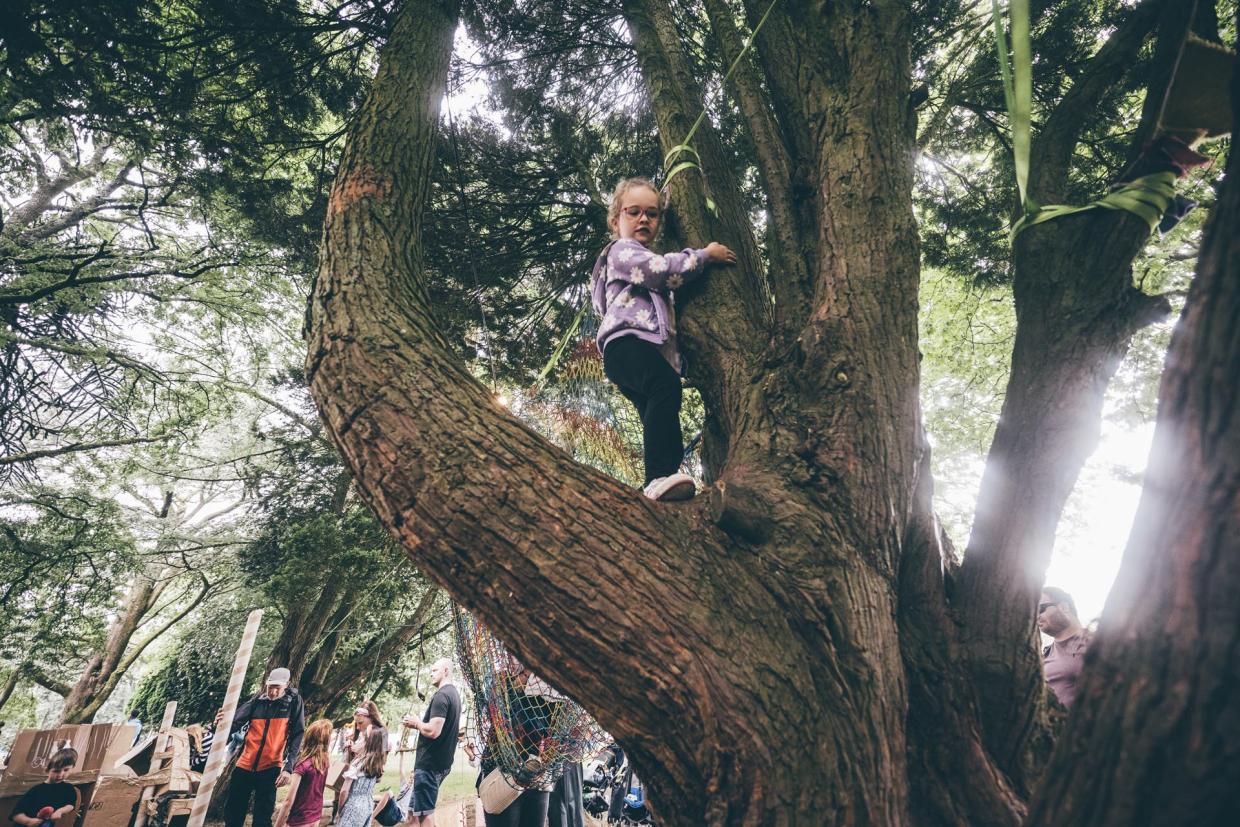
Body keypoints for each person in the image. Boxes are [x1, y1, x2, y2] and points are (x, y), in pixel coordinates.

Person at [590, 176, 736, 501]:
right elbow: (659, 270)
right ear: (616, 221)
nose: (644, 219)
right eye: (634, 212)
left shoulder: (632, 258)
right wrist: (704, 255)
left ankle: (666, 480)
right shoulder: (622, 251)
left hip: (632, 351)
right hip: (625, 345)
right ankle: (657, 478)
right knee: (665, 389)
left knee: (660, 410)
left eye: (653, 214)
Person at [219, 666, 306, 827]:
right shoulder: (257, 701)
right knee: (232, 814)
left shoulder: (293, 702)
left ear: (286, 685)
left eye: (277, 688)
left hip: (270, 767)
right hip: (245, 765)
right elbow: (233, 723)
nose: (272, 692)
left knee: (262, 819)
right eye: (270, 687)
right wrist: (219, 723)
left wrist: (288, 767)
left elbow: (297, 735)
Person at [401, 658, 461, 827]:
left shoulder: (442, 695)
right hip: (435, 765)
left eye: (435, 670)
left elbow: (434, 731)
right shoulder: (453, 694)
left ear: (446, 671)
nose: (431, 674)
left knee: (424, 816)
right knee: (412, 814)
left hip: (430, 766)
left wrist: (416, 723)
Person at [1038, 587, 1091, 708]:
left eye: (1040, 609)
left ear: (1063, 607)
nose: (1037, 616)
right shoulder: (1041, 656)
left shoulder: (1096, 644)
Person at [274, 718, 333, 827]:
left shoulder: (302, 765)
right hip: (315, 817)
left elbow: (288, 801)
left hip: (299, 820)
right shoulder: (324, 763)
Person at [10, 747, 78, 827]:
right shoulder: (36, 790)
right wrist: (28, 821)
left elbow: (70, 804)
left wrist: (60, 811)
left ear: (72, 768)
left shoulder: (68, 789)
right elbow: (15, 815)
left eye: (66, 770)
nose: (60, 774)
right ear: (47, 770)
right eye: (56, 771)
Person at [335, 727, 388, 827]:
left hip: (353, 805)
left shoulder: (357, 763)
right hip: (368, 805)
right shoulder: (377, 763)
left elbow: (344, 791)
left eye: (363, 739)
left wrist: (339, 810)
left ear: (368, 743)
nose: (360, 741)